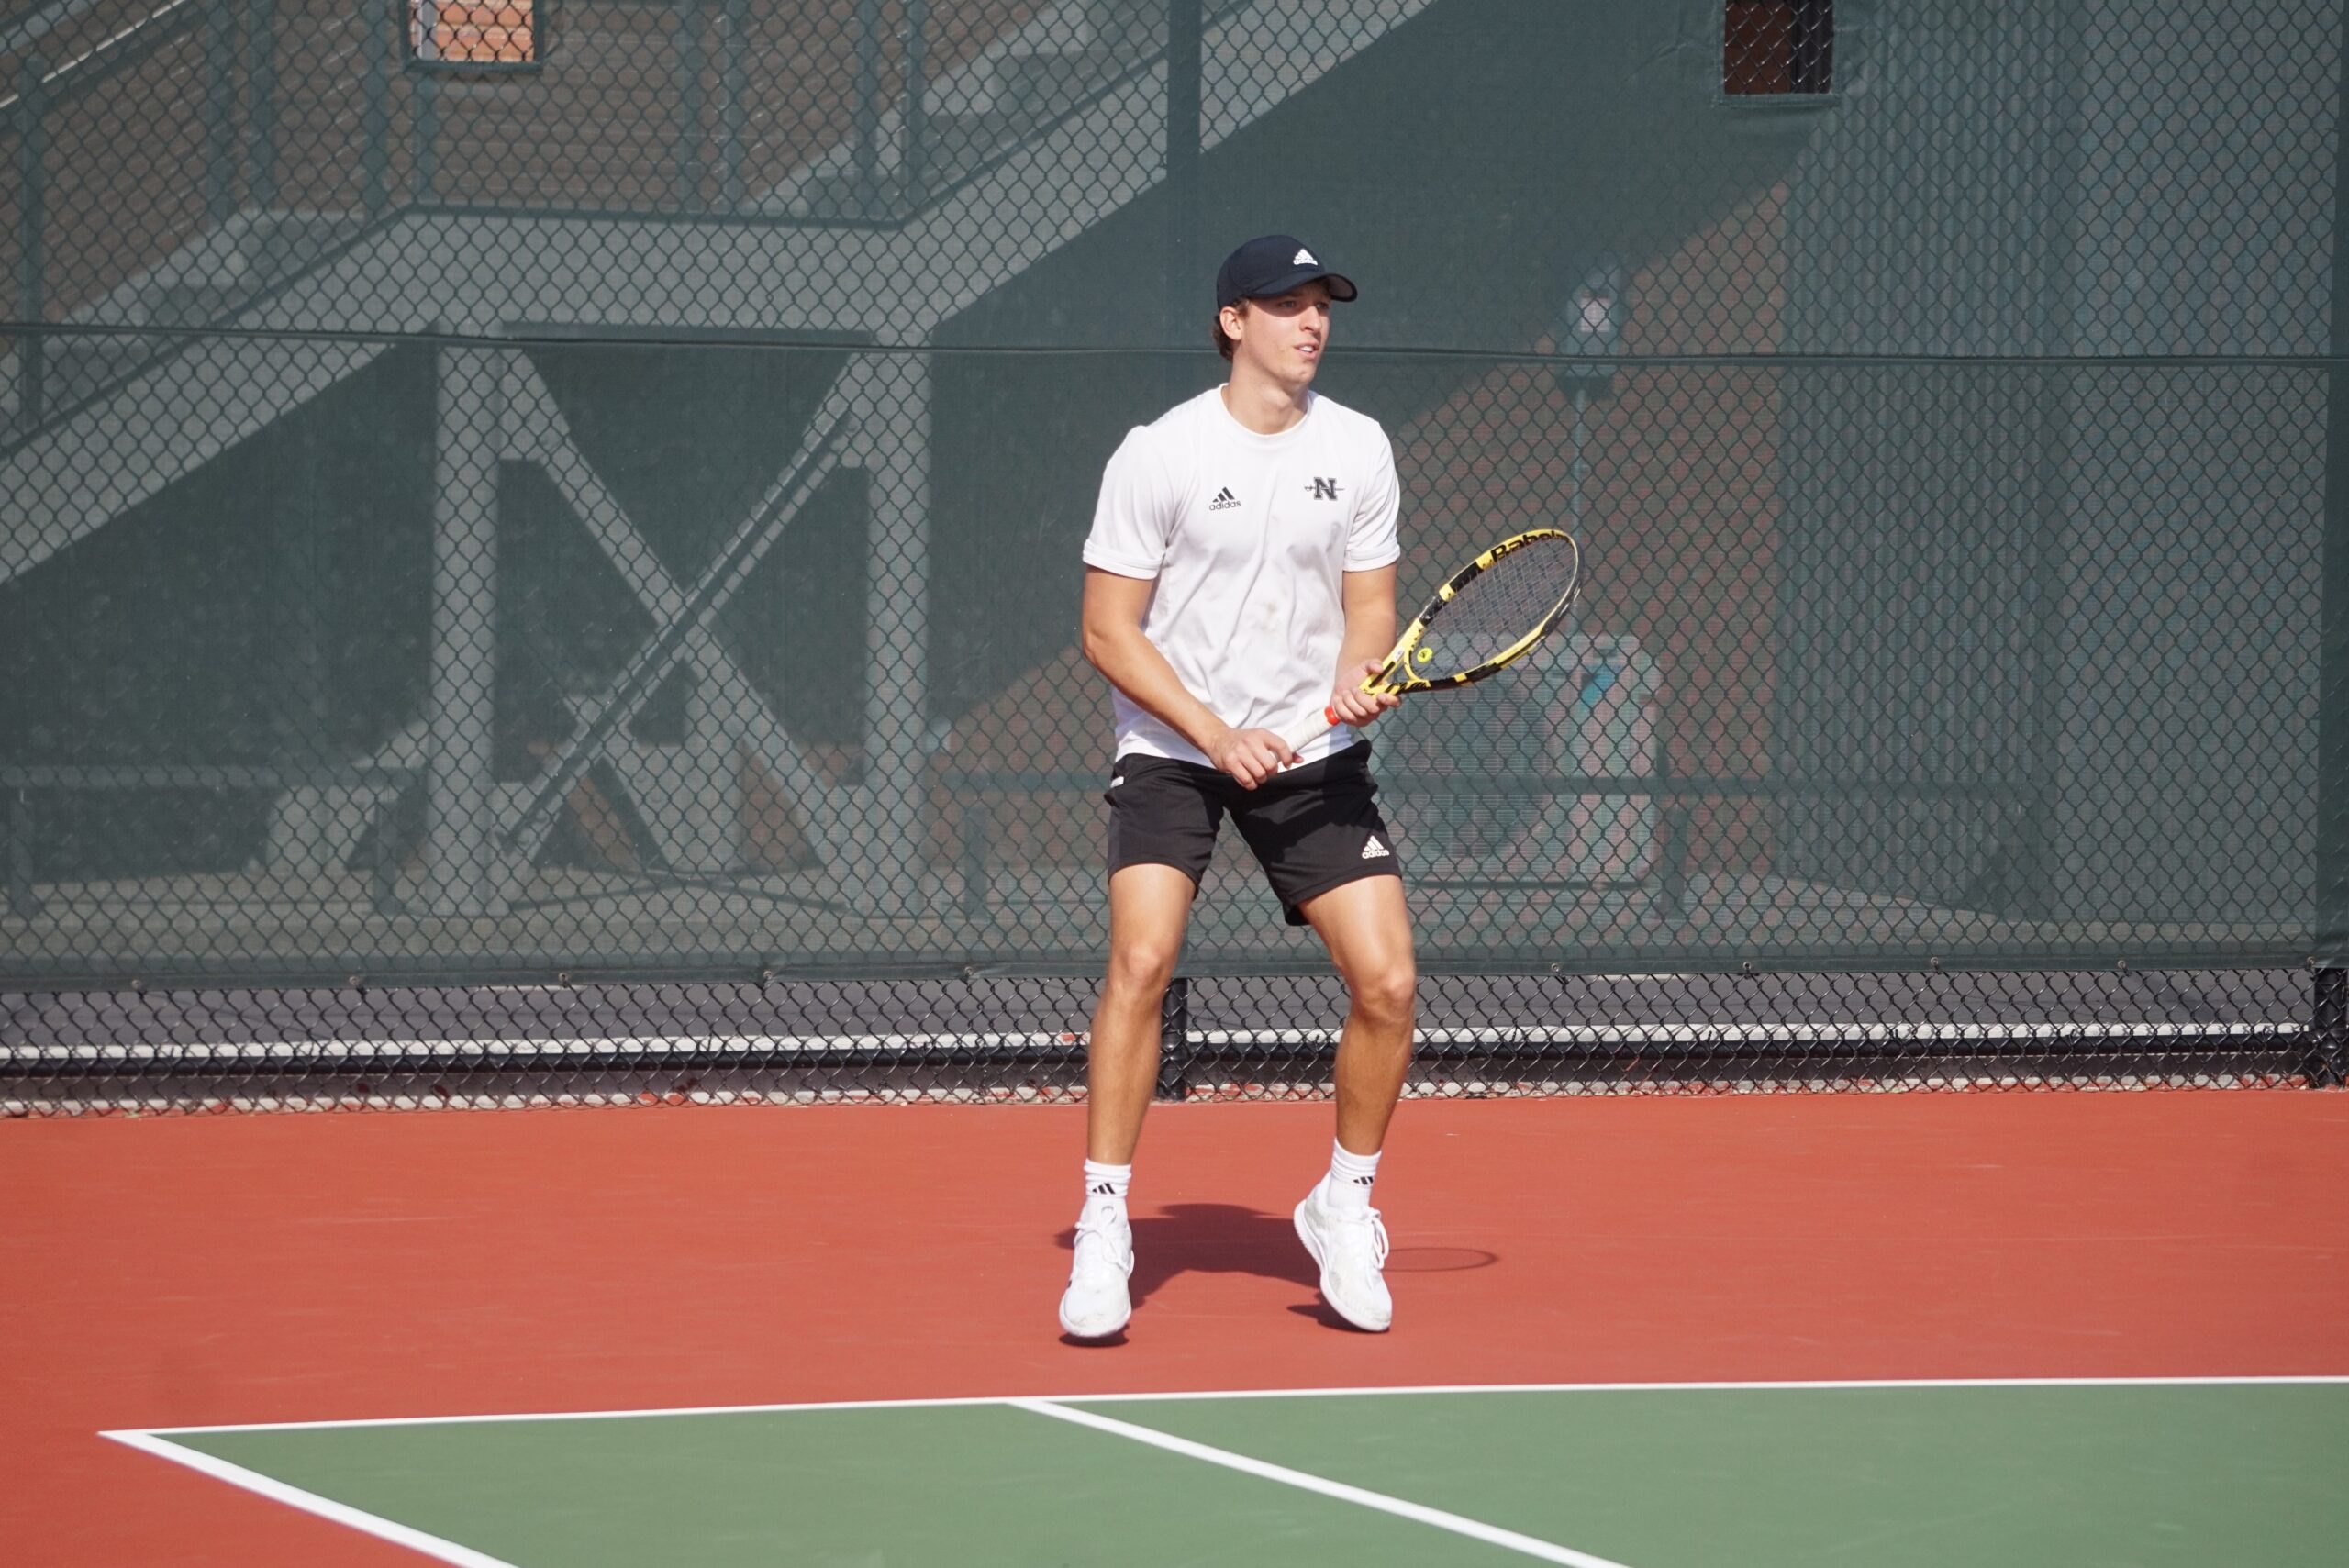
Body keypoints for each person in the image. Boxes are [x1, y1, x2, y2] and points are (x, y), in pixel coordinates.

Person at [1060, 235, 1416, 1339]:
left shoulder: (1357, 448)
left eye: (1321, 305)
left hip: (1309, 754)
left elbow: (1369, 605)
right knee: (1141, 958)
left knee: (1389, 981)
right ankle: (1107, 1218)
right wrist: (1214, 731)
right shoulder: (1158, 453)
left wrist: (1360, 675)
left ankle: (1343, 1204)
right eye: (1286, 305)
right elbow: (1105, 630)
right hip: (1176, 746)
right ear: (1233, 322)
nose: (1310, 322)